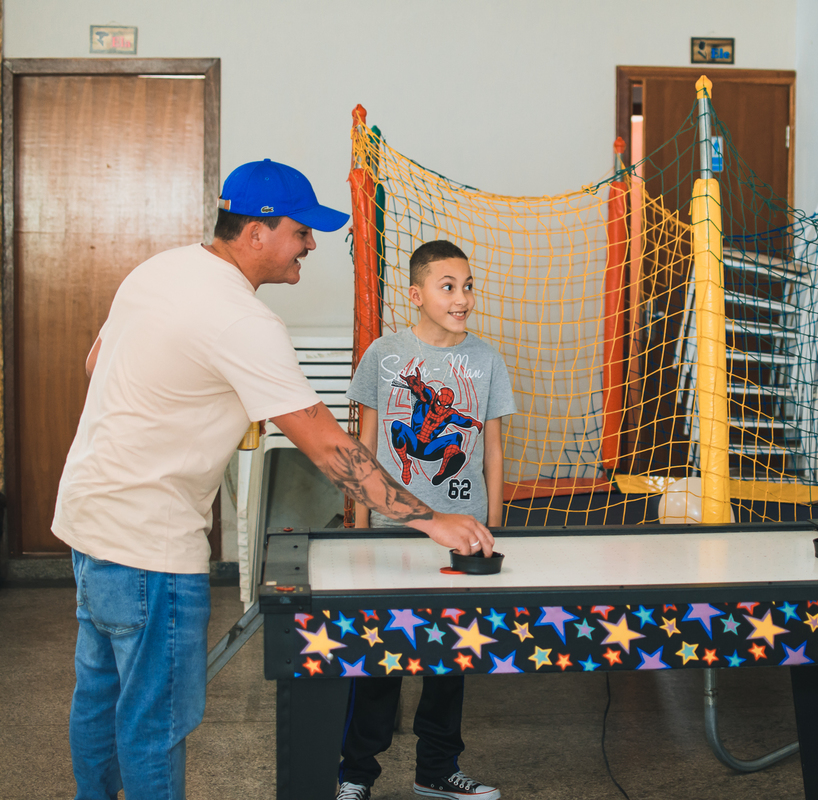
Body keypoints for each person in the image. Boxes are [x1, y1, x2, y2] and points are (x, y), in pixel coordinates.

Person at [53, 160, 493, 800]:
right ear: (256, 232)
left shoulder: (161, 269)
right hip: (149, 544)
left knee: (99, 696)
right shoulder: (243, 320)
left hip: (88, 519)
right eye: (302, 230)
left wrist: (191, 414)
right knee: (155, 723)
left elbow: (98, 363)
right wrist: (432, 519)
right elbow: (328, 448)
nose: (312, 244)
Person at [336, 240, 513, 800]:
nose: (462, 298)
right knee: (379, 663)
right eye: (447, 286)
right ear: (417, 294)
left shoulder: (485, 360)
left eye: (467, 286)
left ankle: (437, 771)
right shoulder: (385, 356)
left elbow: (494, 450)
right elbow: (363, 446)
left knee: (449, 660)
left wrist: (495, 524)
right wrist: (359, 528)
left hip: (459, 537)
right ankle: (355, 775)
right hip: (391, 533)